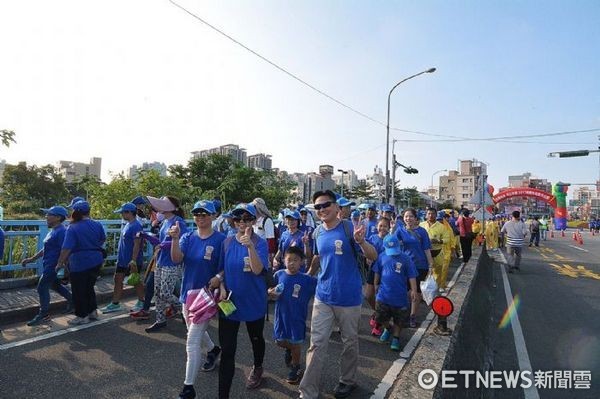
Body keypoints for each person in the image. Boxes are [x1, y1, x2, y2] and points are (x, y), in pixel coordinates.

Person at [300, 190, 377, 399]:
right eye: (318, 207)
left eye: (325, 205)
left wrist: (361, 242)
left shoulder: (348, 228)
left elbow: (373, 256)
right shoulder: (317, 233)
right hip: (323, 296)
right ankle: (307, 392)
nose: (322, 209)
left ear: (336, 207)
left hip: (349, 298)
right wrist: (308, 275)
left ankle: (347, 380)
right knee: (316, 344)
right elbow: (318, 258)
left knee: (350, 342)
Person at [170, 200, 225, 399]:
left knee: (192, 341)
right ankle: (213, 349)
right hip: (187, 295)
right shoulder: (187, 237)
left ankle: (188, 388)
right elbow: (177, 259)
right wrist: (175, 239)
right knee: (192, 330)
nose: (200, 217)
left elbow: (226, 266)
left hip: (206, 298)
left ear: (212, 216)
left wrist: (218, 278)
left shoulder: (221, 240)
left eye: (204, 214)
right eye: (197, 214)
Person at [214, 203, 269, 398]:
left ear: (254, 221)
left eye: (246, 219)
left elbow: (257, 270)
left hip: (254, 301)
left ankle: (258, 366)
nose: (241, 223)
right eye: (237, 219)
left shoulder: (260, 243)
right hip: (230, 303)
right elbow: (221, 270)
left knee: (256, 339)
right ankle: (223, 394)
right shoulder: (227, 242)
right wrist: (220, 286)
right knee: (228, 350)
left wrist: (250, 246)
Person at [269, 246, 317, 385]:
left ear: (301, 262)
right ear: (284, 260)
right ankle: (289, 349)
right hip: (281, 317)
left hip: (297, 318)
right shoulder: (278, 275)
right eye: (289, 260)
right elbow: (270, 289)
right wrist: (270, 292)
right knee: (279, 341)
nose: (292, 263)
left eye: (296, 260)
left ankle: (295, 366)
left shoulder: (306, 279)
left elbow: (321, 286)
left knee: (296, 343)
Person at [56, 201, 106, 325]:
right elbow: (102, 238)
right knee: (89, 287)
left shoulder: (72, 227)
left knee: (78, 290)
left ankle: (82, 315)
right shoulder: (97, 224)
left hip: (80, 262)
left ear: (75, 212)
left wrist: (60, 263)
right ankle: (92, 311)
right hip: (96, 260)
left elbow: (66, 248)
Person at [22, 206, 73, 326]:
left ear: (58, 217)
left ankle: (43, 315)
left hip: (54, 266)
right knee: (55, 285)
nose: (46, 217)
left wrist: (64, 265)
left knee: (41, 287)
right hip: (49, 264)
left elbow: (65, 250)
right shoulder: (54, 230)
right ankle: (73, 301)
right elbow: (46, 248)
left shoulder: (62, 232)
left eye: (49, 214)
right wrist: (31, 259)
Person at [145, 195, 189, 332]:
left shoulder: (178, 222)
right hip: (160, 260)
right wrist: (150, 238)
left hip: (172, 262)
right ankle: (160, 319)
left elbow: (184, 240)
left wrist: (166, 244)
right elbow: (162, 239)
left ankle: (184, 309)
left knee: (165, 293)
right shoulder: (165, 221)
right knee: (157, 292)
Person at [373, 235, 417, 351]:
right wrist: (375, 284)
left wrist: (413, 290)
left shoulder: (406, 258)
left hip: (400, 296)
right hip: (383, 295)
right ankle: (388, 328)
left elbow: (412, 276)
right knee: (380, 316)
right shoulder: (381, 257)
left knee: (399, 319)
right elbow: (377, 272)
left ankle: (396, 337)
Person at [101, 203, 144, 314]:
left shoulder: (136, 226)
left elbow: (137, 244)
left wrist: (133, 260)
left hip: (131, 261)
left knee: (135, 281)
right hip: (123, 260)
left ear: (129, 213)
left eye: (122, 212)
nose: (121, 215)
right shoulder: (128, 224)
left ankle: (141, 301)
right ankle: (116, 303)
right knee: (118, 279)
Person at [396, 208, 434, 328]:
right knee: (404, 291)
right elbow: (392, 245)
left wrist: (431, 265)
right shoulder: (399, 231)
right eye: (406, 216)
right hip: (404, 266)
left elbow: (426, 249)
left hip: (420, 266)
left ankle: (412, 316)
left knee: (416, 292)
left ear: (416, 218)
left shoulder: (422, 232)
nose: (408, 219)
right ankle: (403, 312)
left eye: (411, 216)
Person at [365, 216, 390, 335]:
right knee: (369, 295)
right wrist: (367, 258)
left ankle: (379, 324)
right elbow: (366, 252)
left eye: (385, 226)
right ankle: (378, 314)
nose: (382, 228)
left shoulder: (391, 239)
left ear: (389, 228)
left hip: (385, 273)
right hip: (373, 271)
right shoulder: (372, 238)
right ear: (376, 226)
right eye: (380, 225)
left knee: (381, 299)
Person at [420, 208, 451, 292]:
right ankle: (423, 291)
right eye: (429, 213)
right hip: (424, 253)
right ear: (426, 215)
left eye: (433, 214)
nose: (431, 215)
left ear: (436, 215)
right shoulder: (421, 225)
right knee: (424, 271)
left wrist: (439, 241)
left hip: (437, 252)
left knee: (437, 272)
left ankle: (435, 289)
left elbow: (447, 238)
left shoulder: (441, 227)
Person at [251, 197, 277, 263]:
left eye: (253, 206)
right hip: (253, 250)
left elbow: (270, 239)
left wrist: (270, 254)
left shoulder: (267, 220)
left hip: (263, 251)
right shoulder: (253, 220)